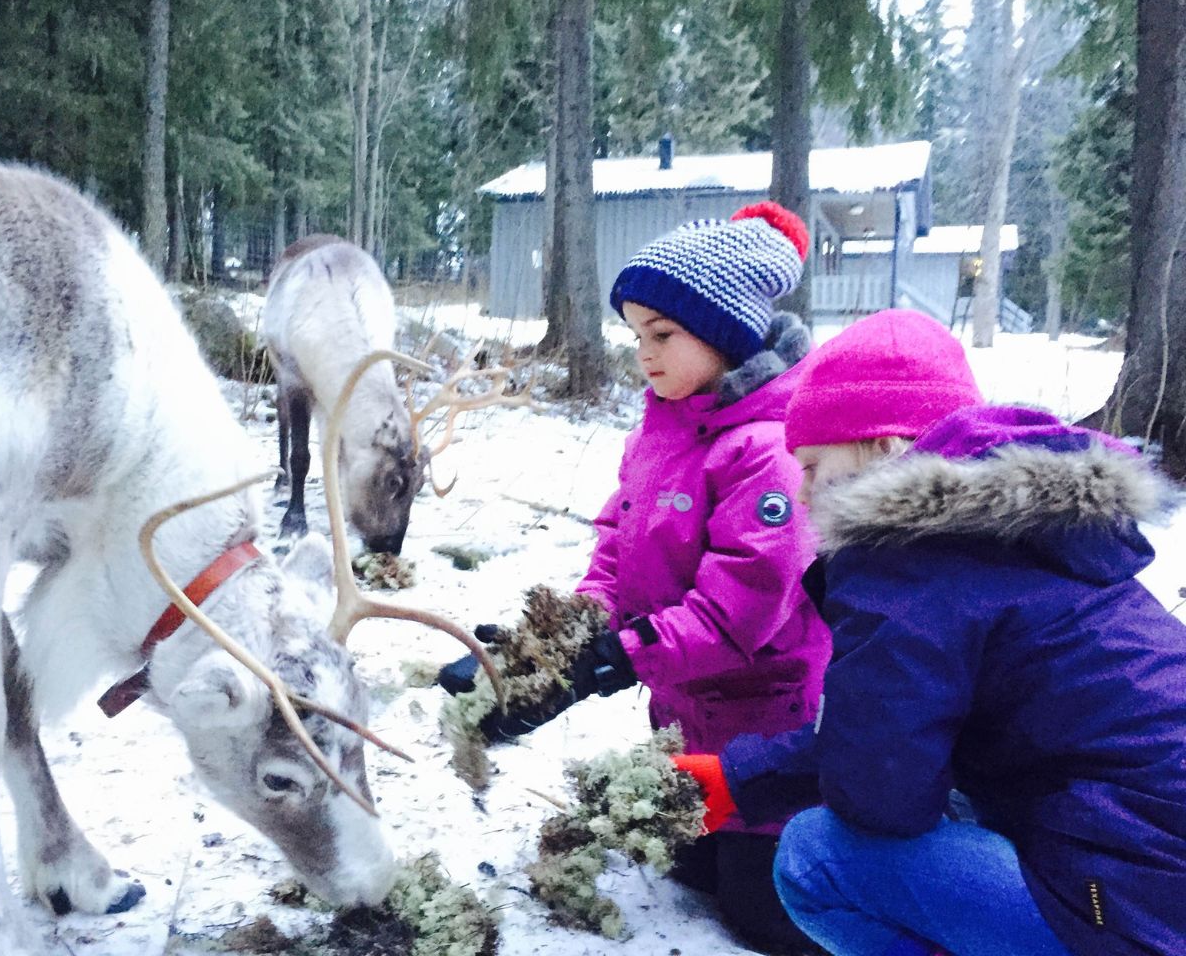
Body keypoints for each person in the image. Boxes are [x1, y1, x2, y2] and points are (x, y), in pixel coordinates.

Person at [672, 308, 1186, 956]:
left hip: (1128, 900)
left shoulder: (907, 569)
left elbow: (882, 792)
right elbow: (888, 727)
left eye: (812, 466)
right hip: (1152, 856)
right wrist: (740, 776)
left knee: (815, 858)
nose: (801, 495)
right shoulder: (1019, 534)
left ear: (882, 450)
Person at [440, 202, 833, 953]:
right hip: (682, 712)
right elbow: (617, 551)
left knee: (764, 912)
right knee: (687, 871)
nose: (643, 354)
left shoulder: (766, 452)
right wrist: (556, 645)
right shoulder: (661, 429)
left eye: (662, 335)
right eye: (634, 335)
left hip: (767, 723)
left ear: (726, 334)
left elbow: (736, 617)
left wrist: (616, 658)